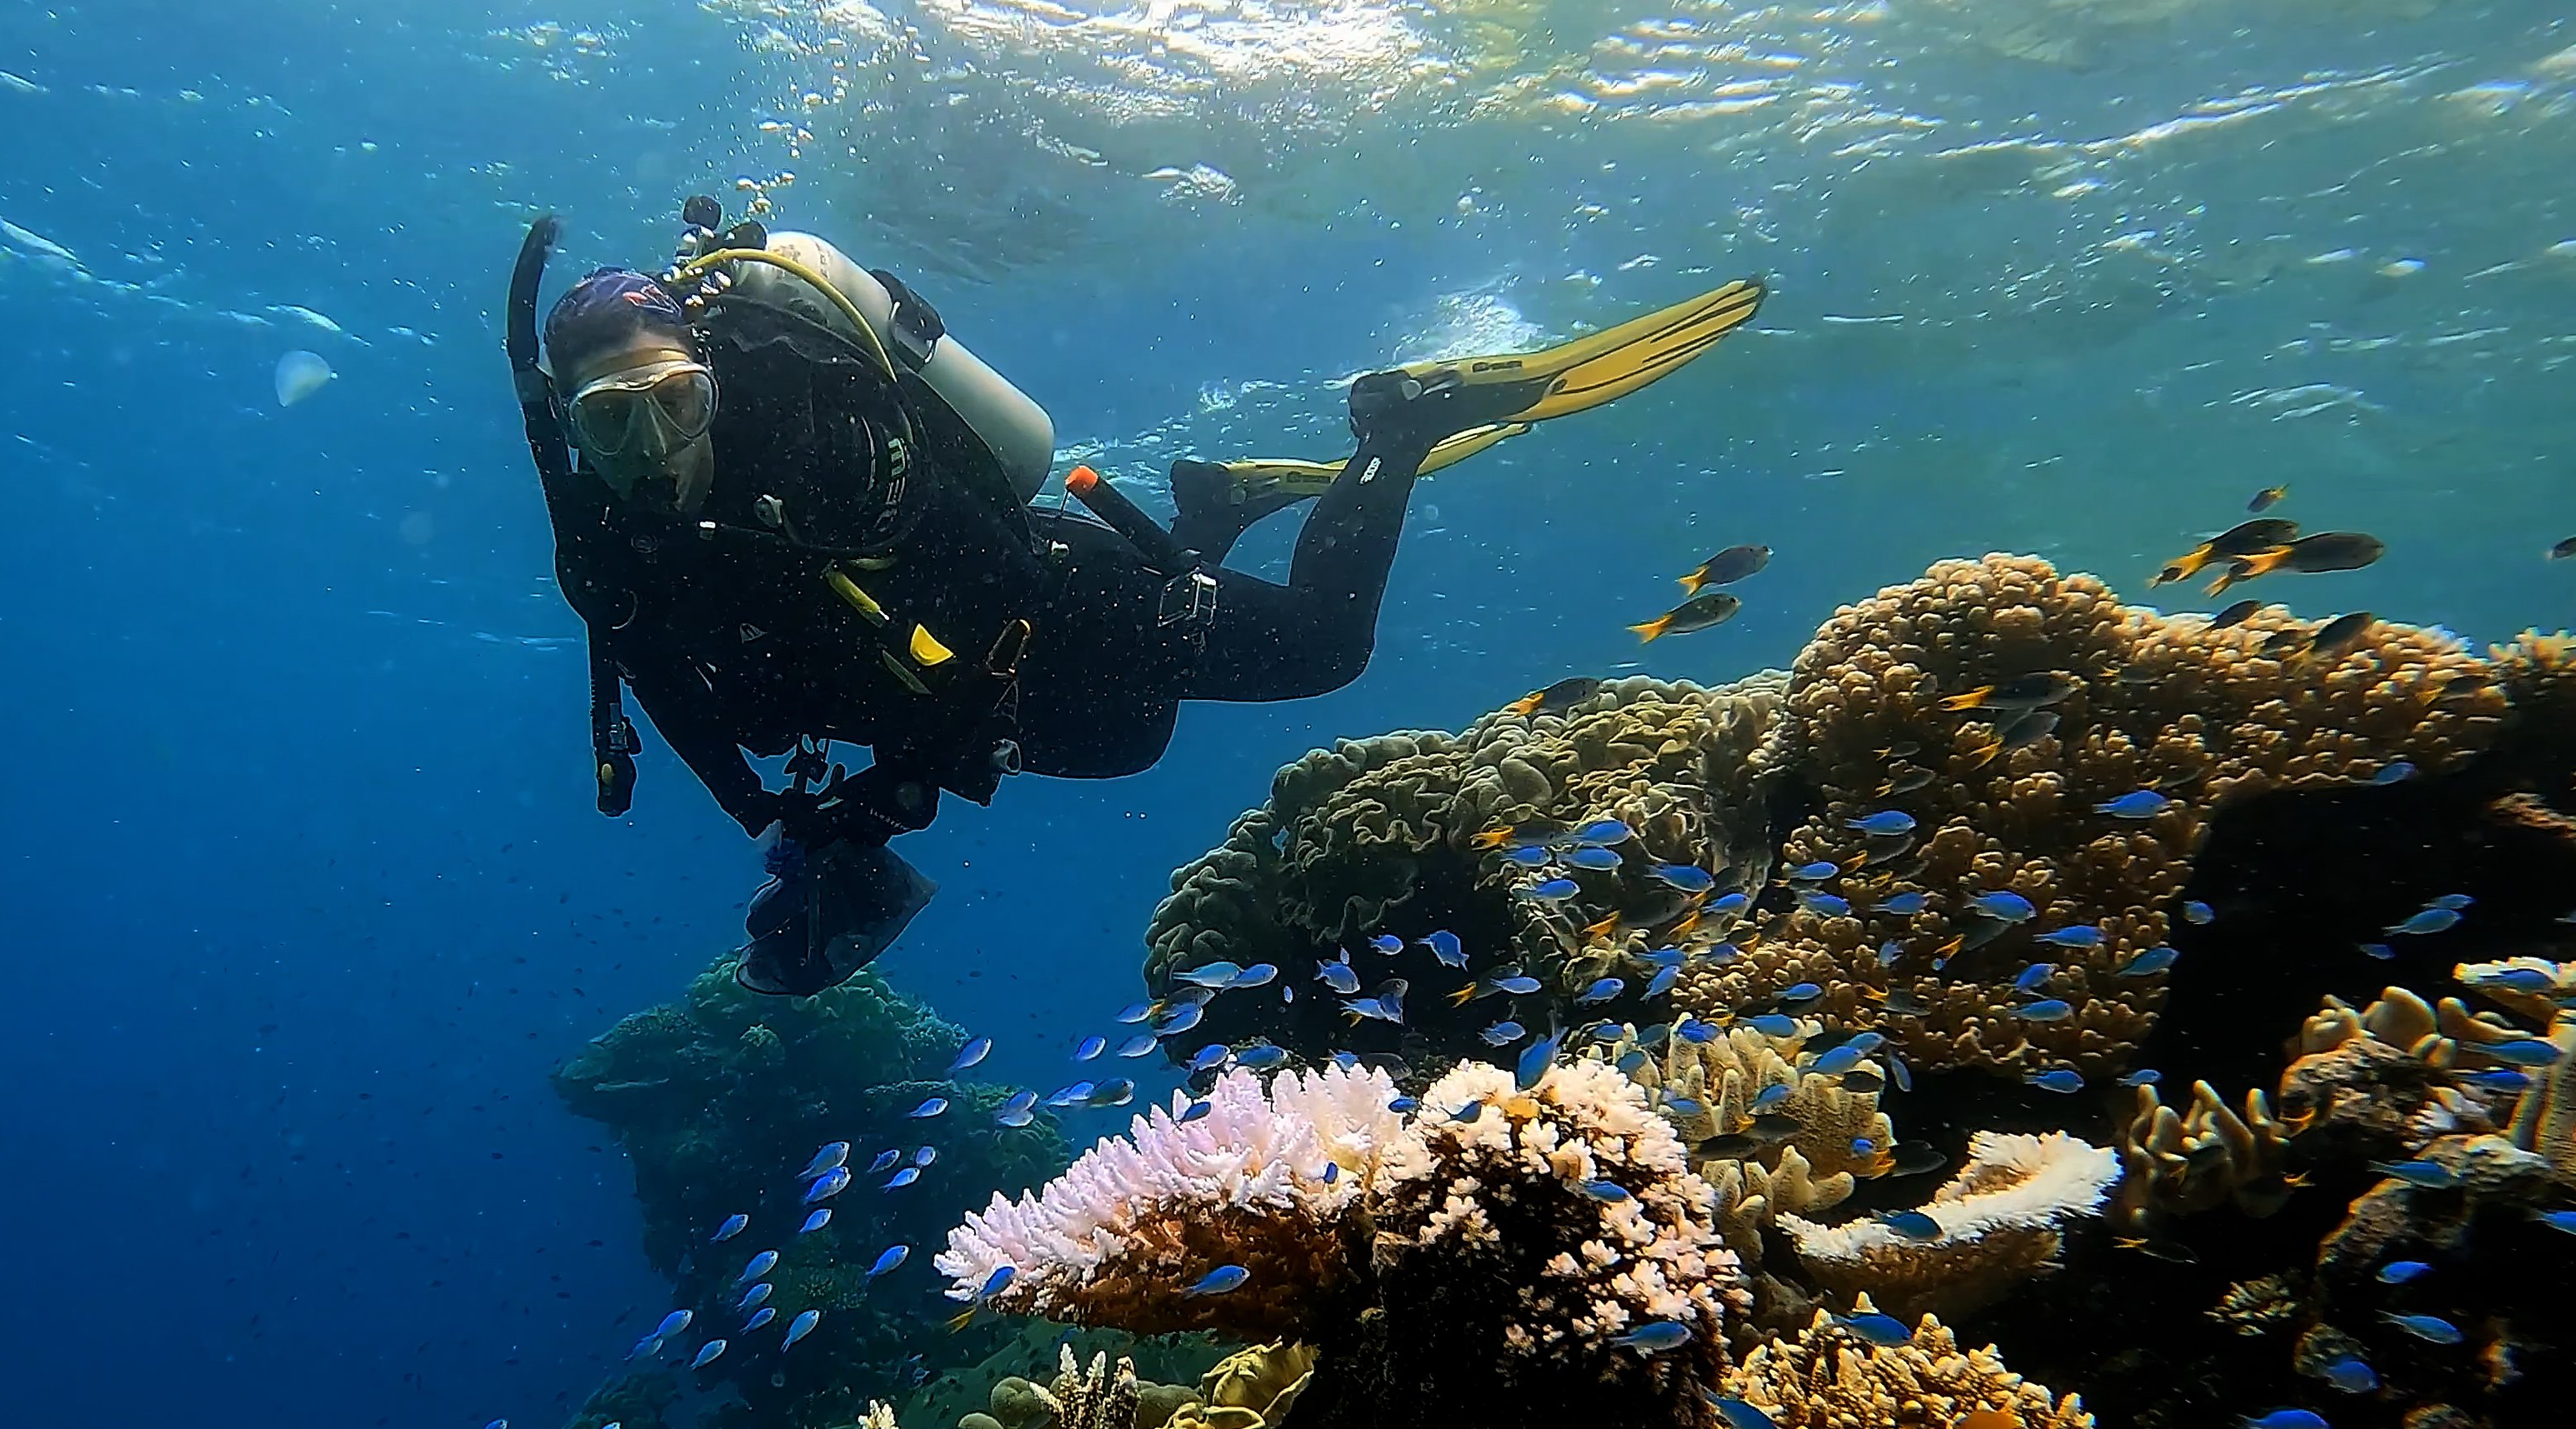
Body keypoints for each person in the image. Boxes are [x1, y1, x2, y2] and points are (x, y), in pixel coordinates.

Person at [504, 201, 1763, 994]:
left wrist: (903, 777)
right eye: (611, 419)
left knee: (1327, 649)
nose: (649, 443)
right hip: (962, 701)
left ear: (711, 381)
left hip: (1056, 601)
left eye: (674, 399)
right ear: (566, 422)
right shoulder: (605, 552)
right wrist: (797, 833)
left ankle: (1396, 431)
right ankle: (1209, 507)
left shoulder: (826, 453)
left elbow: (984, 573)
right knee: (1132, 741)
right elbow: (680, 710)